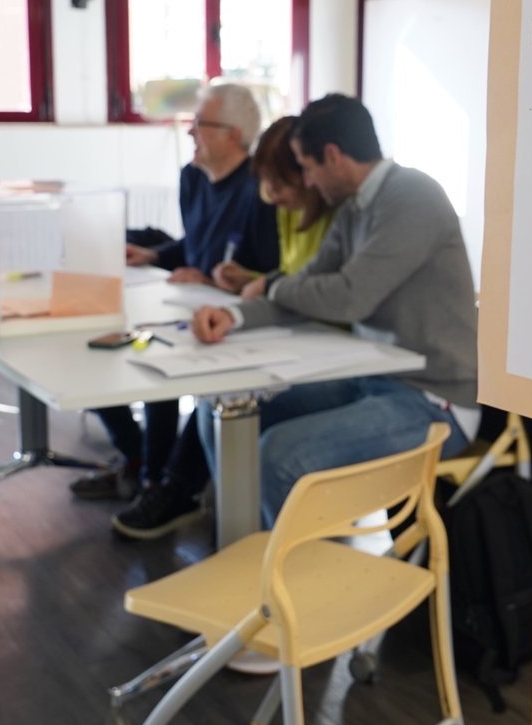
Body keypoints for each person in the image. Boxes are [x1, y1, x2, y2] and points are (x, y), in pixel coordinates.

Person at [189, 93, 480, 530]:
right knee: (223, 412)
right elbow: (305, 286)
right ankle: (249, 546)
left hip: (436, 401)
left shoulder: (412, 196)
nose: (307, 181)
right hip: (376, 378)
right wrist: (236, 317)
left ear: (333, 156)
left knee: (281, 453)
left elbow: (348, 297)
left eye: (307, 167)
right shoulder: (355, 209)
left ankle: (288, 569)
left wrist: (273, 285)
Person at [72, 85, 280, 542]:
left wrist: (217, 280)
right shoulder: (192, 179)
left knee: (160, 363)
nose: (190, 132)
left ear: (234, 135)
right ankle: (143, 465)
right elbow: (194, 245)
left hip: (232, 322)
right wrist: (154, 255)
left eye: (200, 124)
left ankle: (165, 484)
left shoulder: (260, 192)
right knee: (104, 349)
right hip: (184, 305)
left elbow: (267, 271)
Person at [211, 114, 334, 297]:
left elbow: (314, 290)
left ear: (306, 171)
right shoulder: (288, 209)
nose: (270, 191)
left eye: (280, 181)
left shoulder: (334, 215)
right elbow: (288, 276)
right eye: (265, 179)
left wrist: (263, 284)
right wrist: (250, 279)